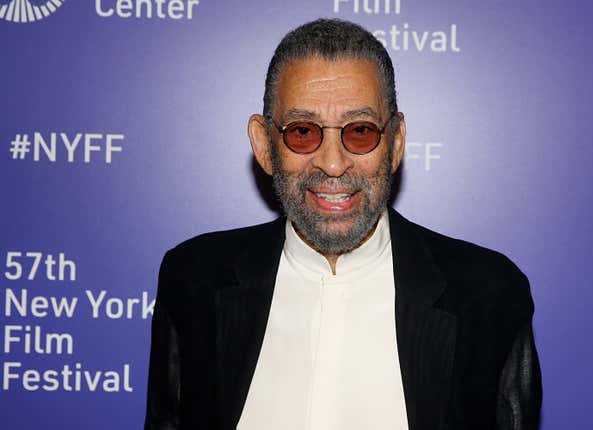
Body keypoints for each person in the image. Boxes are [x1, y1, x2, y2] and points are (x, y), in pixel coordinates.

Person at [144, 18, 542, 430]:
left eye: (360, 131)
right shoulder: (194, 280)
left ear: (396, 143)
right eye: (302, 131)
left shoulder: (488, 295)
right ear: (264, 146)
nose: (333, 163)